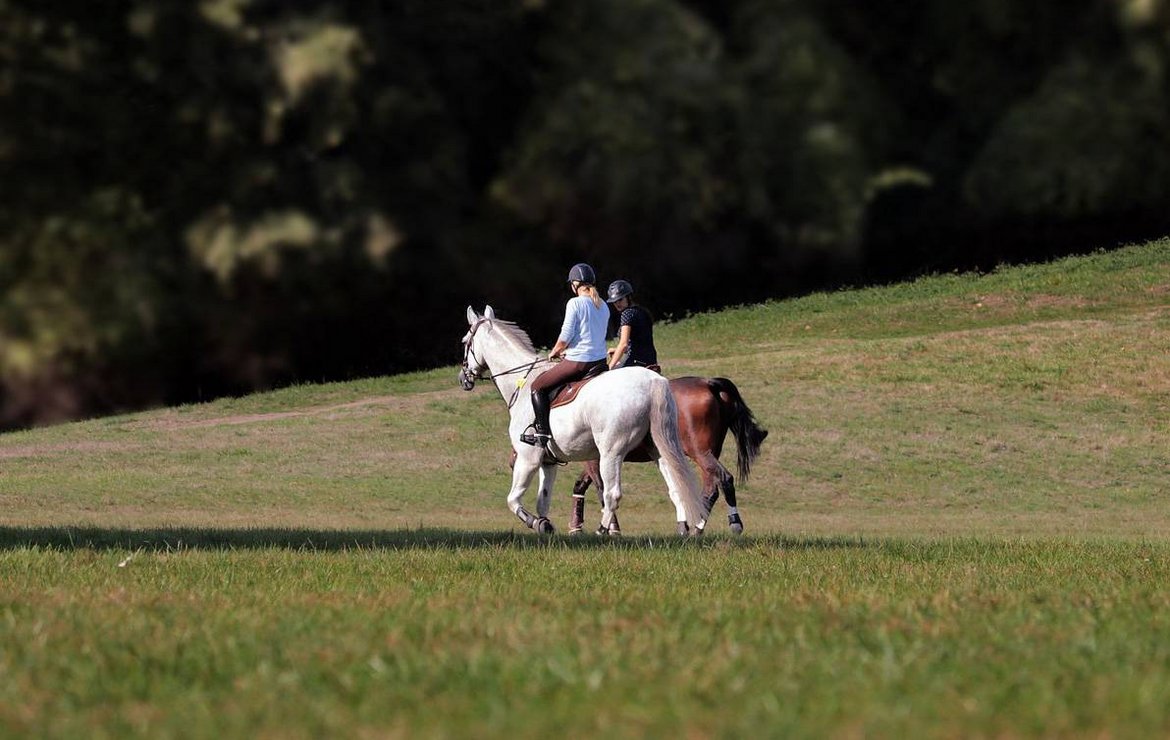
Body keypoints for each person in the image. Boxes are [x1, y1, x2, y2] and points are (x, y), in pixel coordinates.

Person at [521, 263, 610, 447]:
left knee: (537, 386)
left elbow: (566, 335)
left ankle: (542, 434)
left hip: (580, 363)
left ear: (575, 284)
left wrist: (555, 351)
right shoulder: (603, 305)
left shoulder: (575, 303)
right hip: (600, 362)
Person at [606, 279, 659, 372]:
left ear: (628, 297)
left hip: (635, 362)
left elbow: (623, 344)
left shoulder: (627, 314)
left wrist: (609, 367)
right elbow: (640, 342)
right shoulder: (643, 311)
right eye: (614, 301)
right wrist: (616, 350)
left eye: (620, 299)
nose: (617, 303)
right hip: (651, 361)